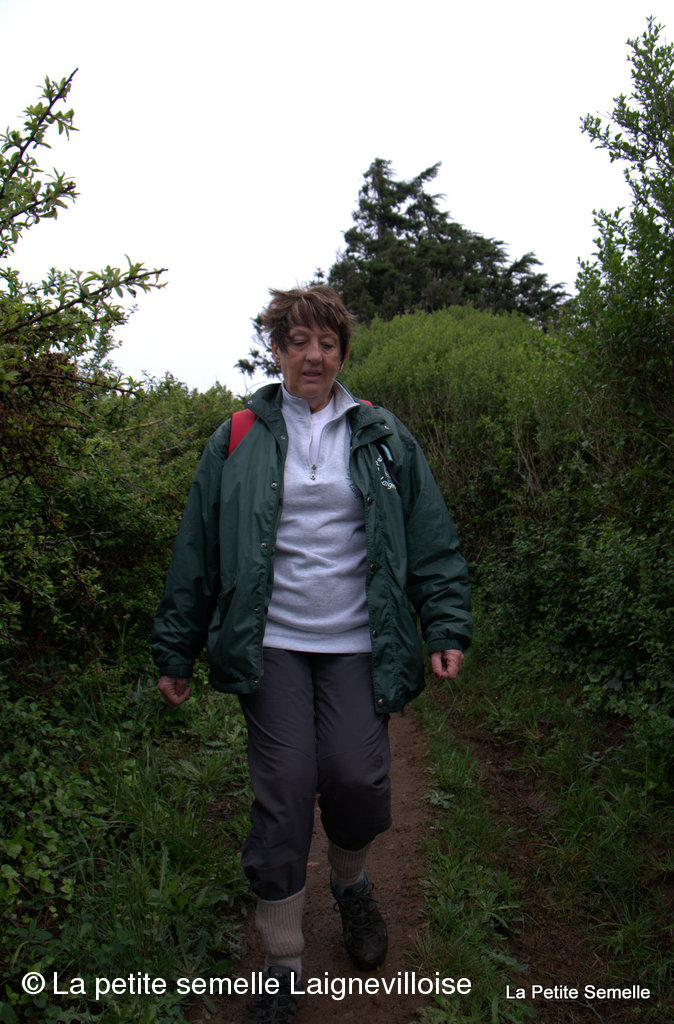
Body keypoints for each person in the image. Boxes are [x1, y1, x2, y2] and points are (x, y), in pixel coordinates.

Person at [151, 284, 472, 1023]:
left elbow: (429, 536)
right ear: (276, 351)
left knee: (357, 780)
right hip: (272, 643)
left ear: (343, 354)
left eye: (327, 343)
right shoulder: (238, 436)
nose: (313, 355)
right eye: (297, 342)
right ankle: (282, 960)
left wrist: (445, 625)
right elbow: (197, 547)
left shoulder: (382, 435)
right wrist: (176, 647)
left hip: (359, 640)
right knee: (287, 789)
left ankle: (351, 884)